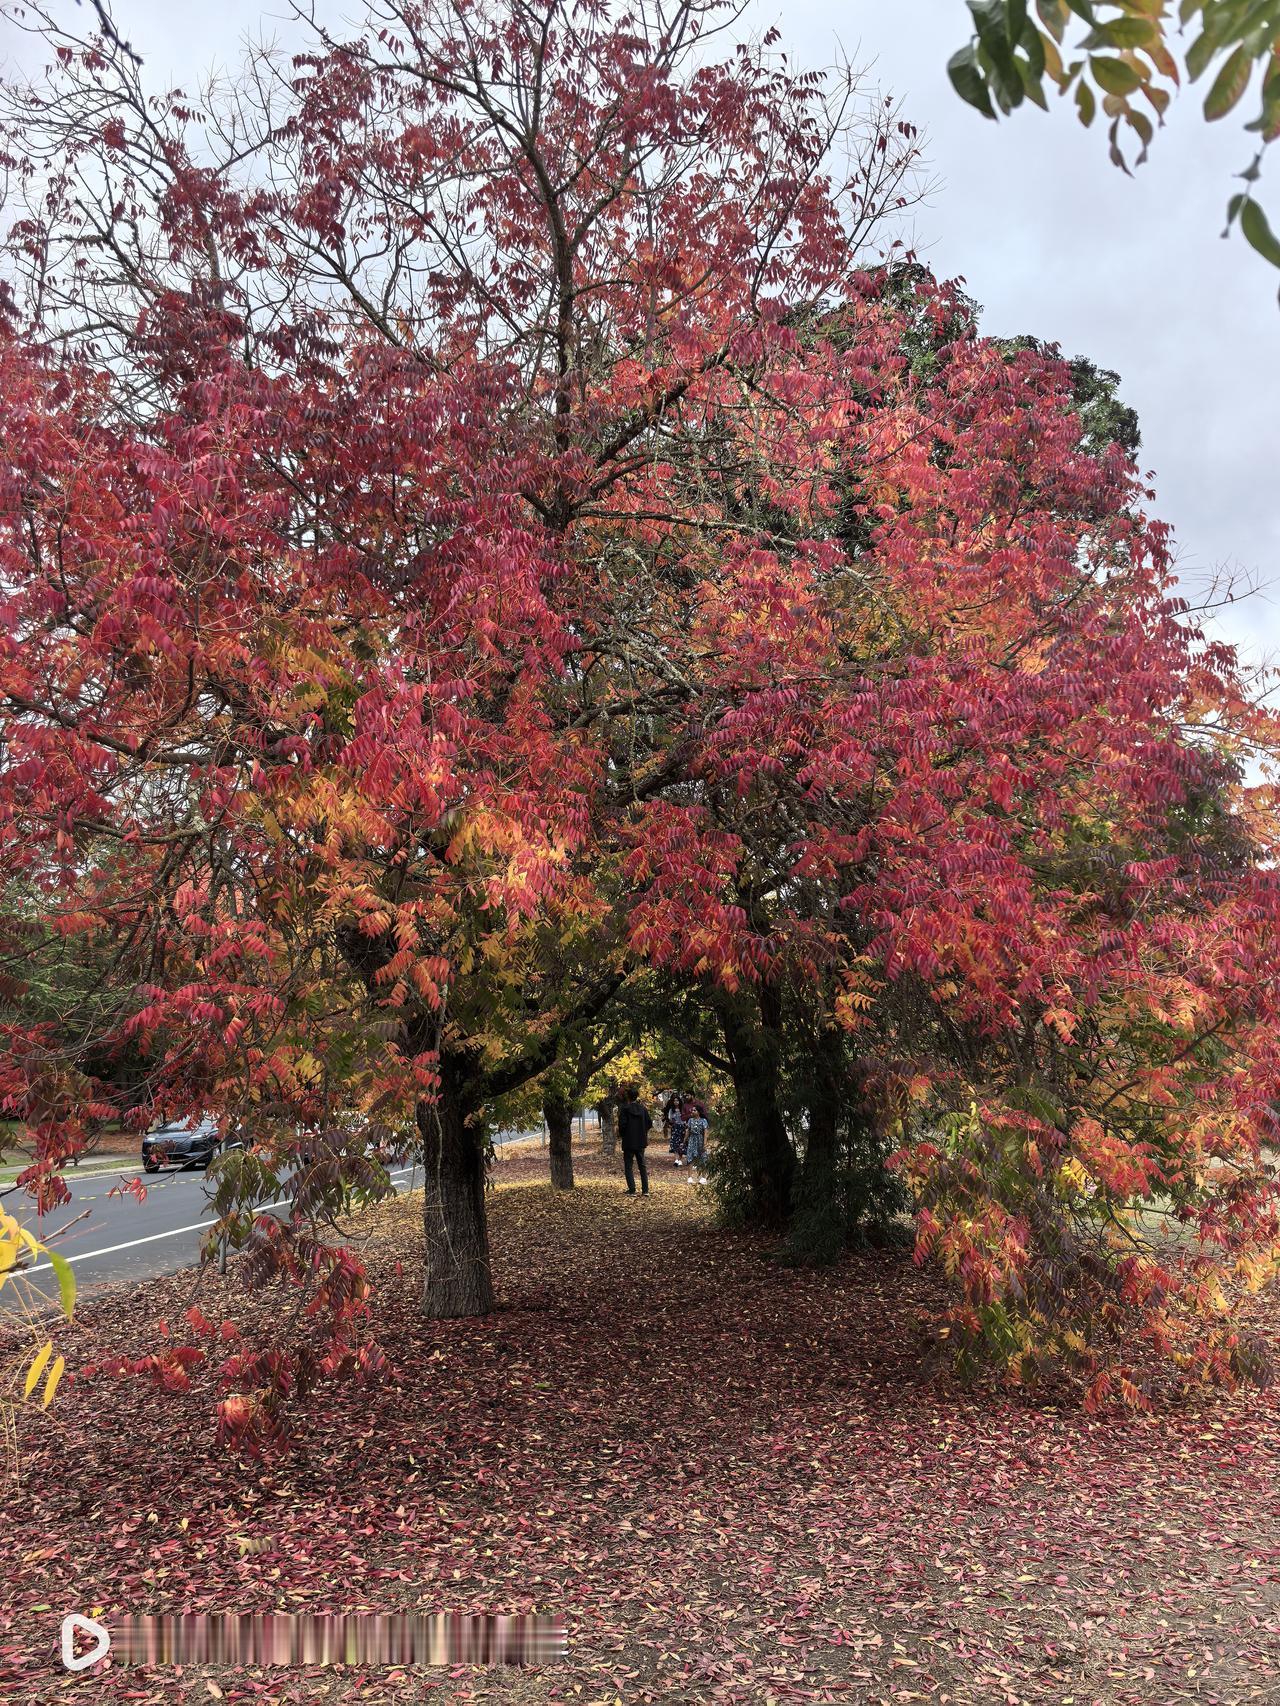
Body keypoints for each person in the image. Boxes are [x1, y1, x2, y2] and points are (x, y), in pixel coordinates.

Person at [617, 1083, 652, 1196]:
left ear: (628, 1096)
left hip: (629, 1141)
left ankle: (632, 1190)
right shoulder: (643, 1109)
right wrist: (643, 1132)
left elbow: (622, 1125)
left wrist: (623, 1135)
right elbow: (649, 1123)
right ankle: (645, 1190)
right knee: (642, 1165)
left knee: (628, 1165)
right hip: (641, 1140)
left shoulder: (625, 1109)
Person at [685, 1102, 709, 1176]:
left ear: (699, 1112)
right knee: (690, 1157)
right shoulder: (690, 1120)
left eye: (694, 1110)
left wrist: (704, 1144)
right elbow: (688, 1131)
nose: (692, 1111)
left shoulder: (703, 1121)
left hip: (700, 1140)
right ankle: (690, 1177)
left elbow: (705, 1132)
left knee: (703, 1158)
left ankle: (703, 1177)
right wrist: (684, 1140)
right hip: (692, 1140)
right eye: (692, 1110)